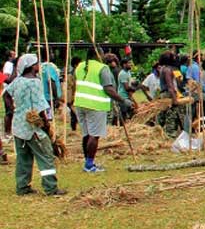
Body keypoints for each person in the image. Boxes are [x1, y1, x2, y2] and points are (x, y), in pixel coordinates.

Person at [8, 54, 65, 196]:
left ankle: (22, 187)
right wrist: (46, 125)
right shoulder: (35, 82)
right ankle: (51, 188)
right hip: (32, 128)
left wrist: (13, 110)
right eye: (37, 64)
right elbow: (40, 108)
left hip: (18, 126)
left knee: (23, 158)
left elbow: (6, 94)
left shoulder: (18, 81)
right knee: (46, 155)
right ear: (31, 66)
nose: (39, 66)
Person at [74, 50, 135, 173]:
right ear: (98, 55)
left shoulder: (80, 66)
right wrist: (123, 100)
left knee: (86, 134)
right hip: (95, 104)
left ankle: (88, 162)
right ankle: (89, 165)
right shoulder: (102, 68)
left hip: (80, 103)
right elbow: (109, 89)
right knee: (94, 135)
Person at [156, 51, 187, 138]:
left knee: (163, 114)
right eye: (173, 57)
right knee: (172, 114)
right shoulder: (167, 70)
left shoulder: (164, 68)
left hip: (166, 94)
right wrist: (174, 99)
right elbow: (170, 86)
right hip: (169, 94)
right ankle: (170, 134)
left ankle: (158, 130)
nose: (175, 58)